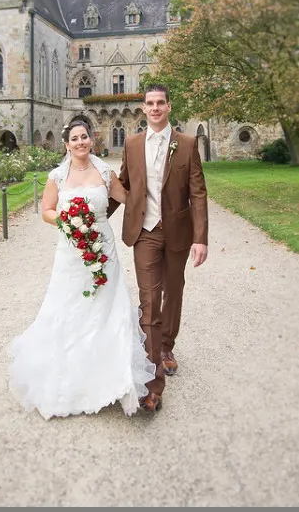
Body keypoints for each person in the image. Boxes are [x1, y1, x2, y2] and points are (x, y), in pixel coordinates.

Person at [7, 116, 157, 419]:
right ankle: (69, 375)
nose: (80, 143)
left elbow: (129, 199)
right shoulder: (57, 176)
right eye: (74, 139)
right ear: (66, 144)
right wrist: (68, 221)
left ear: (92, 139)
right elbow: (47, 211)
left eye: (84, 137)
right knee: (68, 306)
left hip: (105, 248)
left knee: (107, 306)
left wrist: (156, 208)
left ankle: (115, 377)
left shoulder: (105, 172)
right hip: (71, 252)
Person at [107, 84, 209, 413]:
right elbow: (124, 184)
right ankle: (152, 383)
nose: (155, 108)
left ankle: (166, 346)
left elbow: (198, 192)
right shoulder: (132, 143)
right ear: (143, 108)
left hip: (177, 231)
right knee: (150, 301)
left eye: (160, 103)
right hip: (145, 232)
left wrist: (201, 237)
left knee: (173, 291)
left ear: (168, 107)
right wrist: (95, 216)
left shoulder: (187, 144)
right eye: (150, 103)